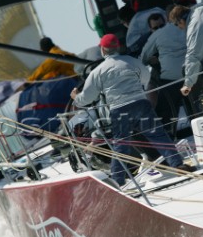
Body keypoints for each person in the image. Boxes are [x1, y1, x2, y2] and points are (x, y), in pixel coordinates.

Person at [70, 34, 190, 186]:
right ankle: (177, 164)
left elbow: (86, 99)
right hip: (141, 104)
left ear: (103, 50)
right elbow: (145, 79)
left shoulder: (98, 72)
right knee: (159, 136)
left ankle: (117, 181)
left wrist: (76, 97)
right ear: (118, 47)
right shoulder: (133, 62)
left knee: (121, 146)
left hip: (119, 111)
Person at [140, 11, 187, 135]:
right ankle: (153, 115)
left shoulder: (178, 31)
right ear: (150, 29)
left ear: (166, 23)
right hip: (168, 74)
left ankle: (165, 131)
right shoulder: (150, 40)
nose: (159, 29)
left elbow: (143, 60)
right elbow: (143, 60)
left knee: (165, 102)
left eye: (161, 26)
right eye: (156, 28)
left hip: (178, 75)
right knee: (151, 81)